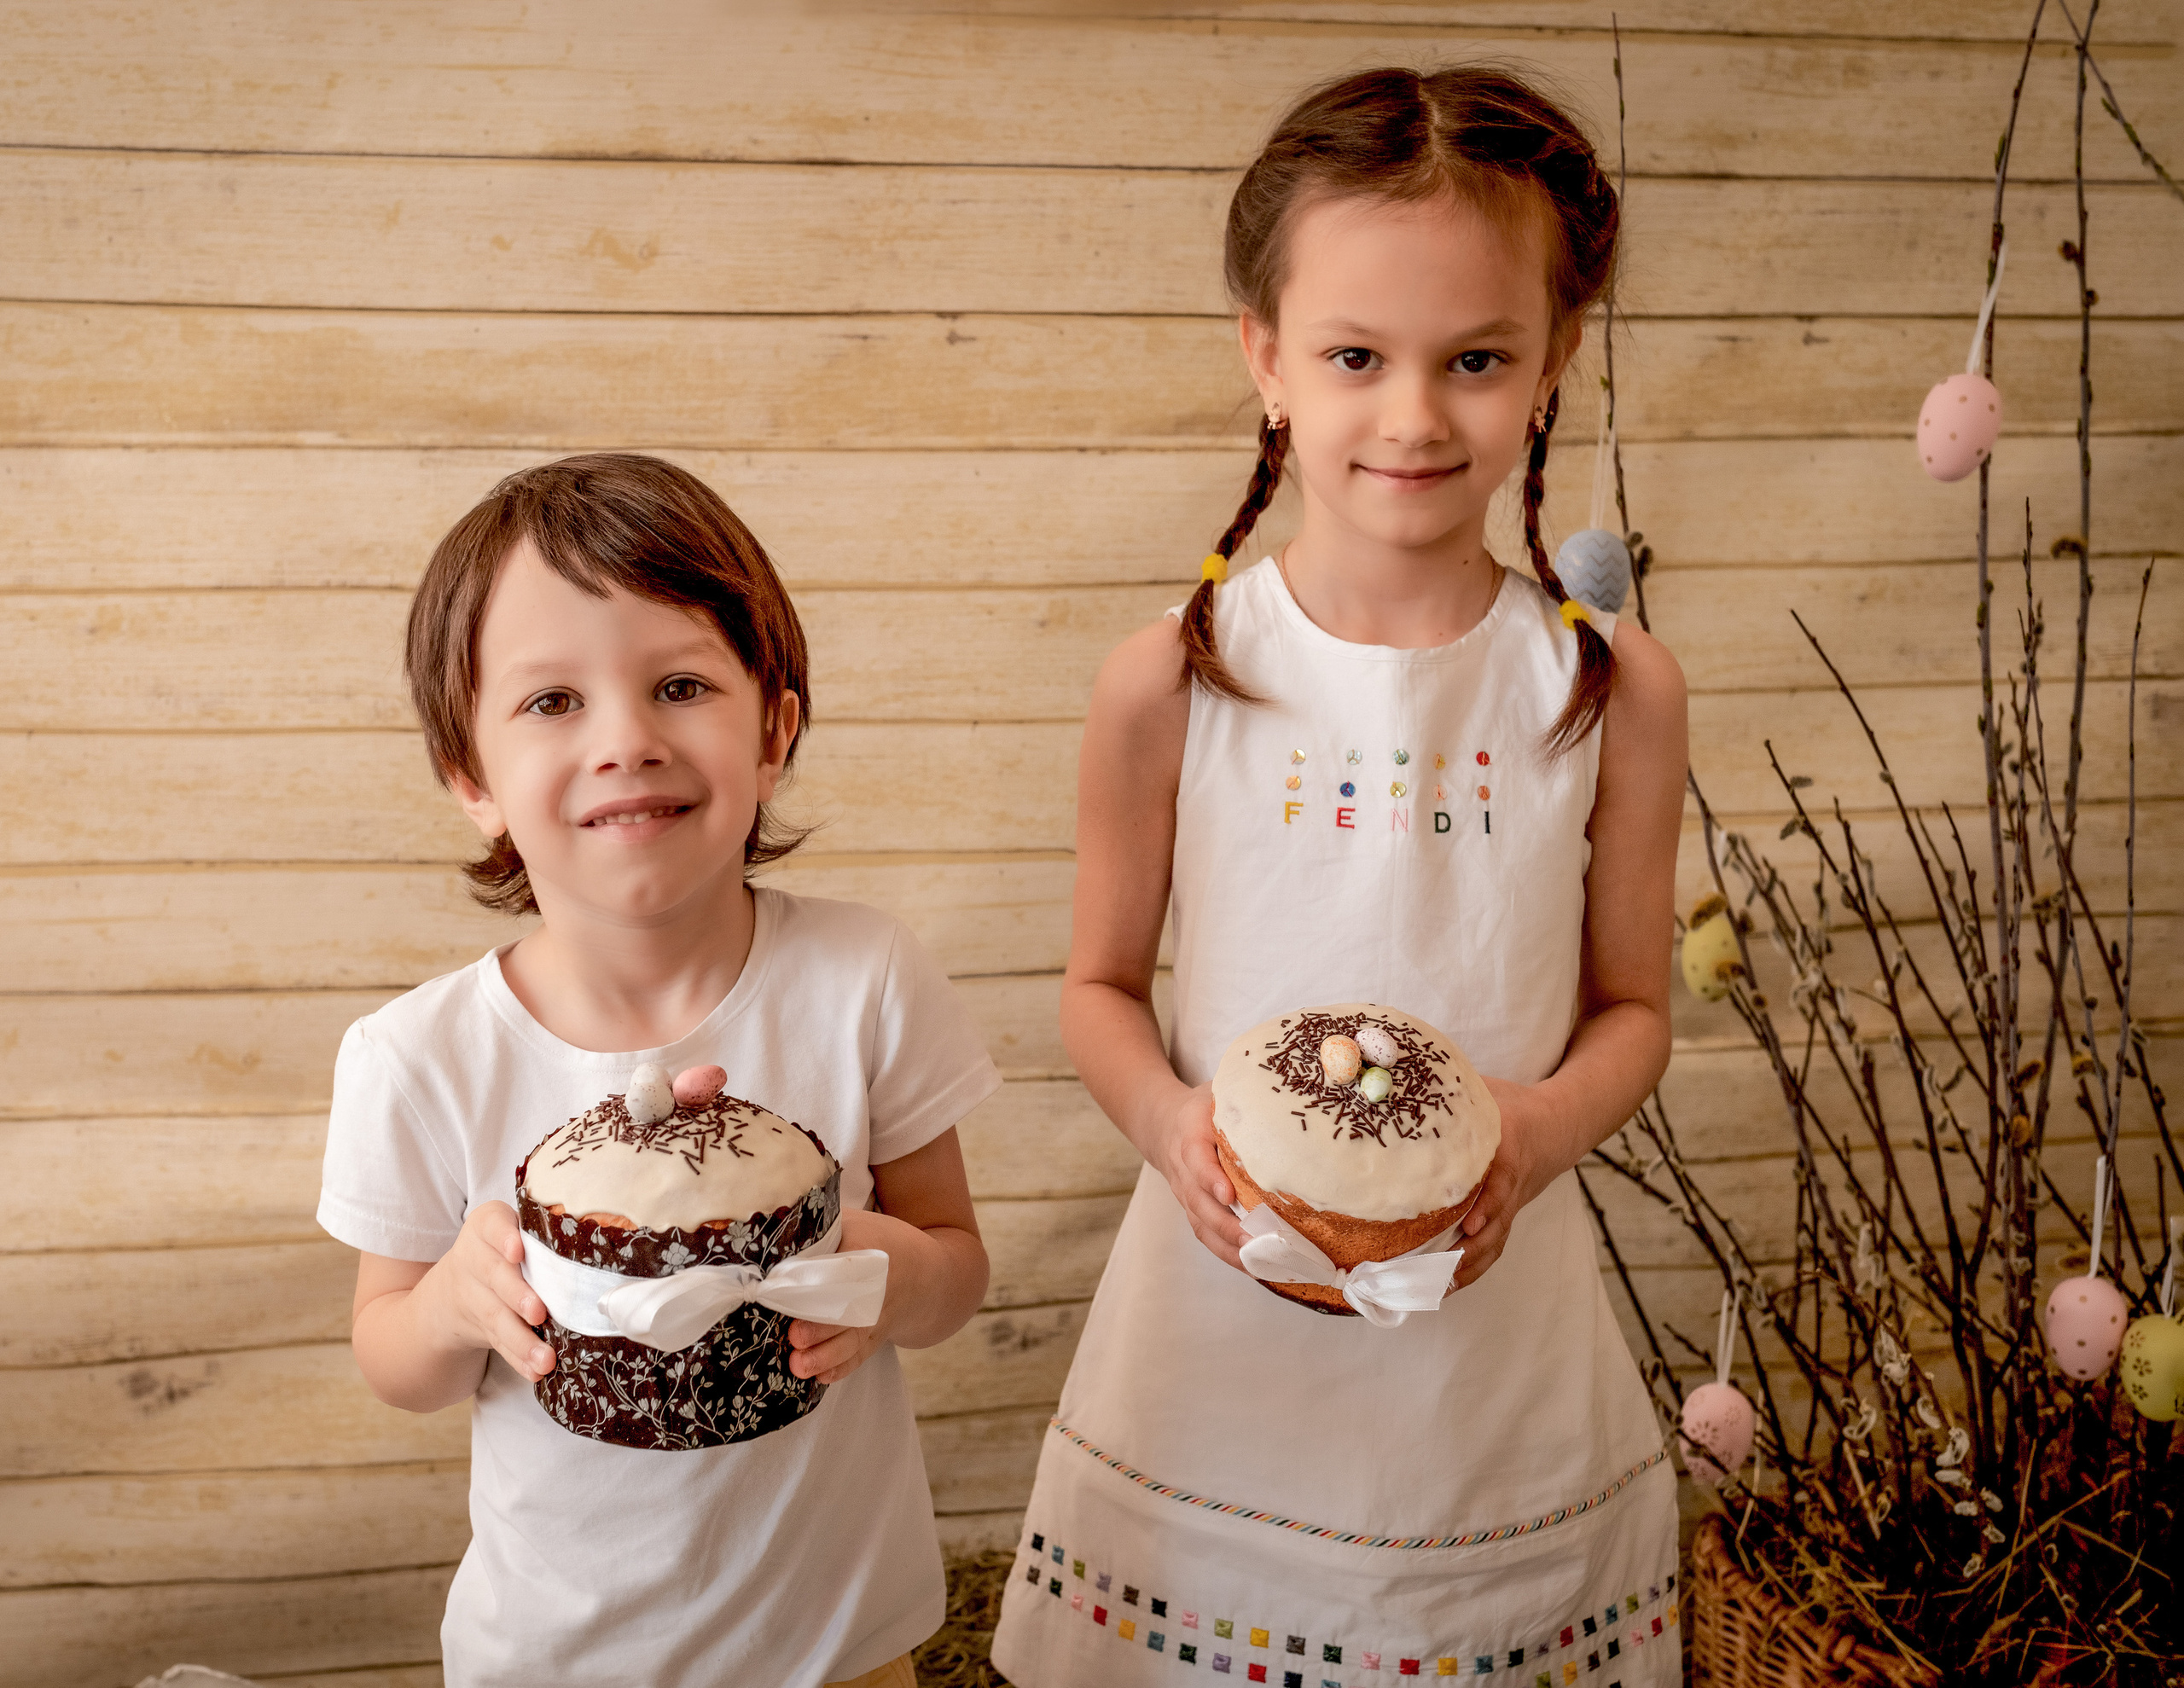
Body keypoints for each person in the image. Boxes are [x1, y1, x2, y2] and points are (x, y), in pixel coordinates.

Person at [990, 66, 1688, 1686]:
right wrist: (1175, 1134)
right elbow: (1099, 989)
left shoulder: (1609, 690)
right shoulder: (1170, 680)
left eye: (1477, 359)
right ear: (1266, 356)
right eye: (1356, 356)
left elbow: (1633, 1011)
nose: (1415, 415)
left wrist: (1536, 1130)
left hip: (1494, 1336)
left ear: (1555, 360)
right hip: (1219, 1313)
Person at [318, 454, 998, 1688]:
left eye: (680, 684)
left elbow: (957, 1268)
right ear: (470, 777)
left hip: (839, 1648)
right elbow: (390, 1357)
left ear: (773, 729)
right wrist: (452, 1307)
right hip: (561, 1659)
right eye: (551, 703)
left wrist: (898, 1277)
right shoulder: (420, 1059)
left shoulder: (863, 980)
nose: (626, 741)